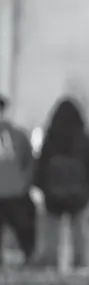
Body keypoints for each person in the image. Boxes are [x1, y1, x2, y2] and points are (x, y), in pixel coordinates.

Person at [34, 96, 89, 267]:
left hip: (53, 196)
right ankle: (80, 267)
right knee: (79, 235)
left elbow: (40, 166)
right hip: (79, 196)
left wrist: (43, 189)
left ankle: (51, 266)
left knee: (52, 235)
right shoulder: (84, 139)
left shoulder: (51, 138)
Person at [0, 94, 35, 266]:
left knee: (23, 232)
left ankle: (28, 259)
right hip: (15, 192)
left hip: (15, 193)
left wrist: (23, 183)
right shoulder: (18, 135)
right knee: (23, 231)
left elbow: (29, 162)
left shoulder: (17, 136)